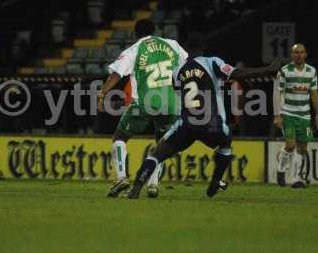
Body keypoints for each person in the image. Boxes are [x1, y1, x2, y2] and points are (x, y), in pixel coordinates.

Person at [127, 32, 282, 199]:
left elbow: (181, 94)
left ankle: (136, 189)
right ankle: (215, 182)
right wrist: (268, 70)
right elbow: (238, 74)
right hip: (211, 123)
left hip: (187, 124)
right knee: (225, 143)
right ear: (203, 47)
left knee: (156, 154)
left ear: (187, 48)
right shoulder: (212, 62)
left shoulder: (177, 72)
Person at [98, 18, 188, 198]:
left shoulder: (134, 50)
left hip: (145, 102)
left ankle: (121, 177)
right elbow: (187, 66)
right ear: (154, 30)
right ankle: (153, 185)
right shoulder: (172, 45)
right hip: (171, 103)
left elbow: (116, 75)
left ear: (135, 33)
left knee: (120, 137)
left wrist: (102, 94)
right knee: (162, 144)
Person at [274, 43, 318, 188]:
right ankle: (281, 170)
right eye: (296, 53)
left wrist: (317, 115)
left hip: (304, 116)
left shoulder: (311, 71)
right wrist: (278, 115)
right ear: (292, 55)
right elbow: (277, 93)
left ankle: (296, 179)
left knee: (302, 148)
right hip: (288, 113)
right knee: (290, 145)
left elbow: (314, 93)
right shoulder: (284, 71)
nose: (299, 55)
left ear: (305, 54)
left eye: (301, 52)